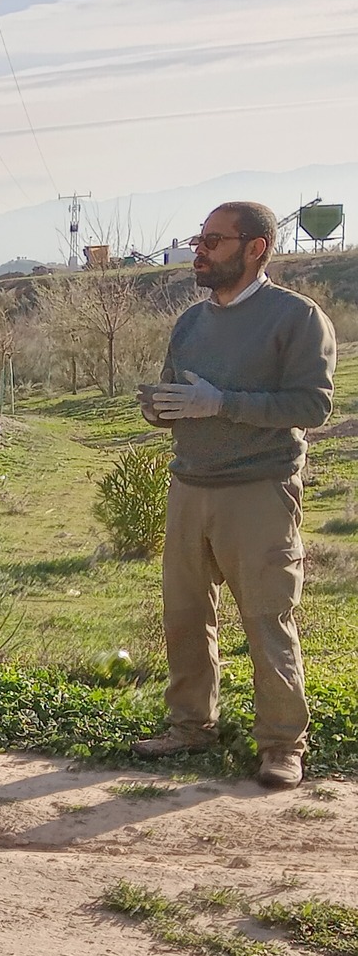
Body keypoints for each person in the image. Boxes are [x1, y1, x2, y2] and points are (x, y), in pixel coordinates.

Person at [134, 201, 336, 788]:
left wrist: (222, 403)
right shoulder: (191, 321)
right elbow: (176, 391)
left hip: (259, 488)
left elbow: (313, 406)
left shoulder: (296, 318)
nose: (200, 250)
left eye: (214, 241)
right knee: (185, 614)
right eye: (199, 239)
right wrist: (162, 407)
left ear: (256, 248)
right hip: (189, 484)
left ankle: (281, 745)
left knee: (266, 617)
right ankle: (191, 724)